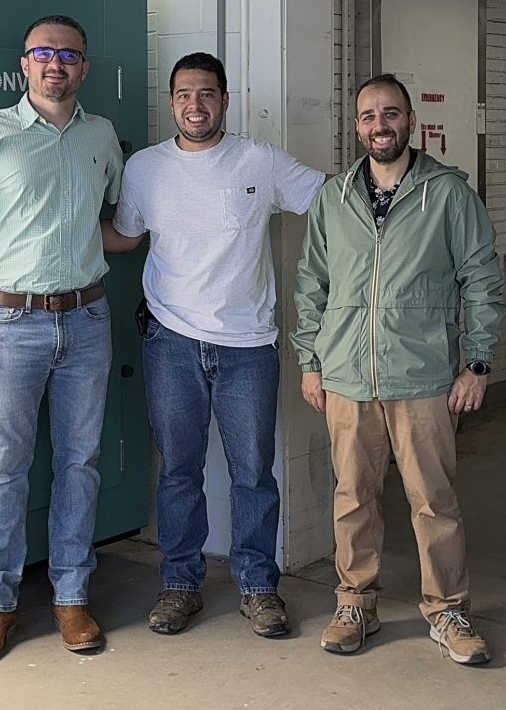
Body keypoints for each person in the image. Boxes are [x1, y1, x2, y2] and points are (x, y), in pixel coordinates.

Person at [103, 52, 325, 639]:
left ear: (225, 100)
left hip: (248, 345)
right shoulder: (145, 168)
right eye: (183, 94)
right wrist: (57, 224)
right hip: (170, 341)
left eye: (206, 93)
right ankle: (180, 585)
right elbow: (124, 236)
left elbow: (330, 200)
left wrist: (399, 187)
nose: (194, 104)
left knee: (253, 471)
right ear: (171, 102)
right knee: (179, 470)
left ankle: (258, 586)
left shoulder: (260, 161)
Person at [292, 73, 504, 665]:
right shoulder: (333, 199)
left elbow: (482, 280)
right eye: (368, 116)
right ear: (356, 127)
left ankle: (447, 610)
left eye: (390, 113)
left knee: (433, 500)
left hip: (423, 376)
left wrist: (477, 363)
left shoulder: (448, 195)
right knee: (352, 497)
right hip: (347, 375)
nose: (379, 125)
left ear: (410, 121)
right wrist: (311, 361)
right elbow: (312, 283)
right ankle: (355, 604)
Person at [0, 14, 125, 663]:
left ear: (84, 68)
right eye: (44, 53)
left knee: (80, 463)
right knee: (5, 468)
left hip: (88, 321)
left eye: (68, 55)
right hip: (9, 327)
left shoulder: (101, 135)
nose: (56, 65)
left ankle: (72, 597)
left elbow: (109, 224)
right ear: (24, 64)